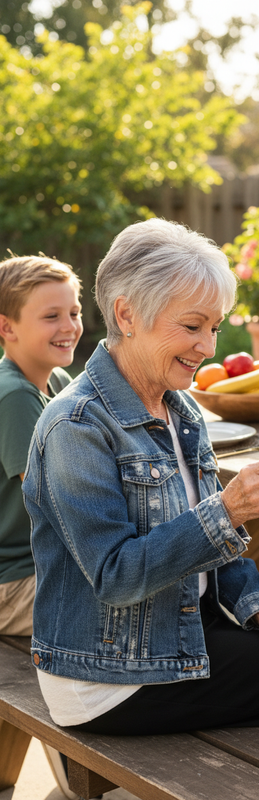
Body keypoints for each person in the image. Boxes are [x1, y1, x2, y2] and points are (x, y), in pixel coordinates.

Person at [22, 218, 259, 742]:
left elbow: (211, 548)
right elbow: (116, 576)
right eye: (193, 326)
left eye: (215, 327)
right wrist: (228, 511)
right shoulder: (76, 426)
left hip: (181, 630)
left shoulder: (181, 409)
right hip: (108, 675)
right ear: (127, 314)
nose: (209, 347)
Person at [0, 254, 83, 800]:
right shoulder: (14, 396)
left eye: (74, 311)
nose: (70, 326)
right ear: (6, 328)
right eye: (51, 316)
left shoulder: (49, 376)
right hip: (11, 584)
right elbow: (63, 498)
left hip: (32, 566)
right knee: (139, 600)